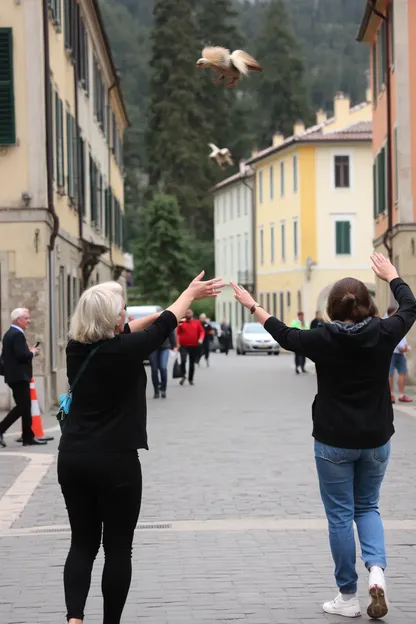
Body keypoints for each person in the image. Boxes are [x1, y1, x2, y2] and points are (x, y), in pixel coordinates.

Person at [231, 253, 416, 620]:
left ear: (331, 307)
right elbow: (410, 306)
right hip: (377, 437)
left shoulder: (321, 338)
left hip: (333, 440)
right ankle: (376, 571)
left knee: (340, 516)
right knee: (368, 507)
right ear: (367, 305)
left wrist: (252, 304)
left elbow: (282, 334)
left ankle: (347, 596)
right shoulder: (385, 332)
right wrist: (392, 275)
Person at [57, 271, 223, 624]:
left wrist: (165, 309)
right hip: (116, 462)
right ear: (111, 320)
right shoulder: (126, 350)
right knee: (118, 548)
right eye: (122, 312)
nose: (126, 317)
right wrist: (188, 295)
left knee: (81, 544)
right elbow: (164, 325)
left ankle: (74, 619)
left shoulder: (77, 348)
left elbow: (142, 326)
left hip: (73, 458)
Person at [0, 308, 43, 448]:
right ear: (18, 320)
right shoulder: (17, 334)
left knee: (24, 407)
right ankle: (22, 436)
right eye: (26, 318)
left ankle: (27, 437)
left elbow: (10, 355)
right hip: (19, 377)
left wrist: (27, 351)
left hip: (15, 376)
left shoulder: (10, 334)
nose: (29, 321)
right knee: (23, 407)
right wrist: (32, 353)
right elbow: (21, 356)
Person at [387, 305, 413, 404]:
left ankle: (401, 395)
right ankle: (391, 394)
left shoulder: (399, 322)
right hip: (392, 352)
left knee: (403, 372)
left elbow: (402, 339)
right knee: (390, 373)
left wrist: (406, 347)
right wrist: (402, 348)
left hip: (400, 353)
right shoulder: (388, 322)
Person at [177, 309, 204, 385]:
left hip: (194, 345)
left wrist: (201, 339)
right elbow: (178, 333)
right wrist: (177, 343)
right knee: (183, 360)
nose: (188, 314)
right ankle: (183, 375)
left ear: (192, 314)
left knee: (192, 362)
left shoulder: (197, 322)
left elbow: (202, 331)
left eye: (189, 313)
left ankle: (190, 379)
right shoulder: (182, 322)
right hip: (183, 345)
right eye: (187, 313)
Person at [149, 330, 177, 399]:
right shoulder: (149, 320)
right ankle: (156, 390)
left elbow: (171, 331)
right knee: (154, 369)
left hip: (164, 347)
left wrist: (174, 345)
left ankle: (163, 389)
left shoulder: (166, 319)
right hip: (152, 347)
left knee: (163, 368)